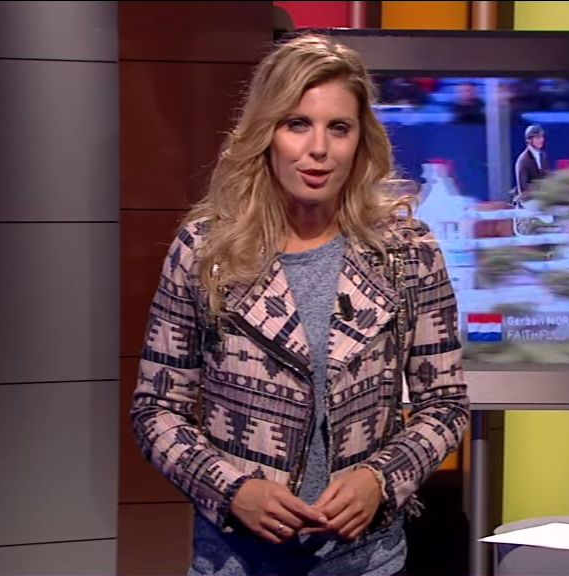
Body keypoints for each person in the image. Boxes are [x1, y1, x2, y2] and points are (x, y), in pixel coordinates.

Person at [130, 33, 470, 576]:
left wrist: (381, 479)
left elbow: (446, 405)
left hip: (366, 562)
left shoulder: (408, 253)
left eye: (339, 128)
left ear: (361, 140)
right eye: (297, 124)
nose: (318, 149)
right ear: (266, 133)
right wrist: (233, 490)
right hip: (235, 561)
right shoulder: (205, 251)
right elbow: (156, 410)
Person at [513, 124, 548, 204]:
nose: (542, 140)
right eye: (538, 137)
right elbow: (523, 189)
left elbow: (546, 177)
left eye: (542, 137)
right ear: (529, 140)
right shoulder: (523, 160)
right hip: (528, 201)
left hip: (542, 198)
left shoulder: (543, 156)